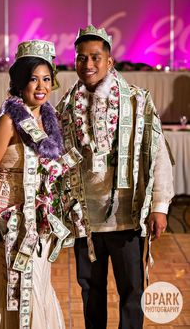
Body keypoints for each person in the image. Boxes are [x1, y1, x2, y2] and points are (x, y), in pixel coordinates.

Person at [0, 39, 82, 329]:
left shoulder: (49, 122)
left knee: (37, 283)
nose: (41, 86)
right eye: (33, 79)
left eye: (46, 79)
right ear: (19, 83)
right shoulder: (8, 122)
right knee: (15, 289)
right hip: (7, 219)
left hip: (39, 221)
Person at [56, 25, 174, 329]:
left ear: (110, 61)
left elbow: (157, 153)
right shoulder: (67, 106)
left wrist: (160, 205)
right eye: (81, 58)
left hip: (125, 215)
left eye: (95, 57)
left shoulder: (137, 101)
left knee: (131, 291)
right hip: (86, 220)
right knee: (90, 290)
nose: (88, 65)